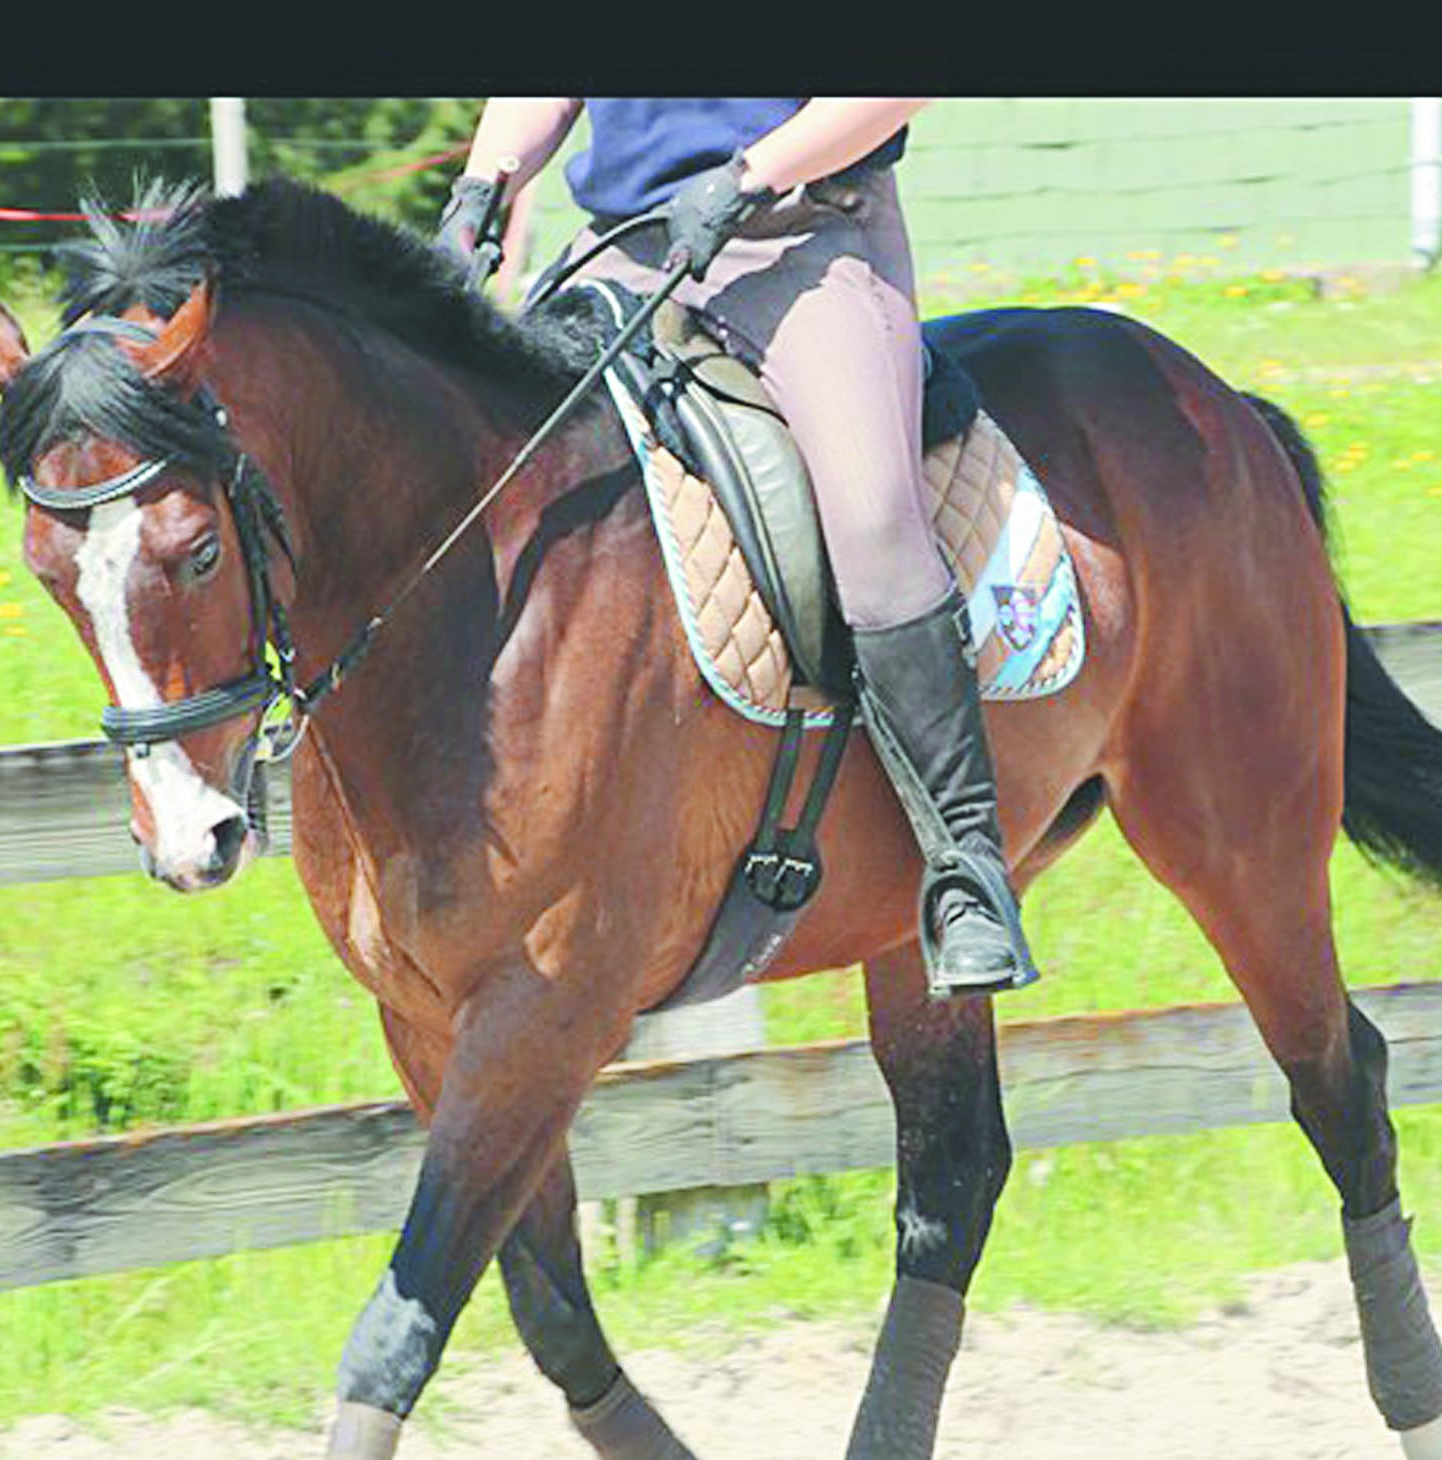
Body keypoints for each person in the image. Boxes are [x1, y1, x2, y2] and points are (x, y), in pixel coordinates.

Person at [438, 98, 1039, 996]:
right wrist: (482, 188)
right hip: (628, 248)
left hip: (802, 243)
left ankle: (965, 865)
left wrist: (748, 176)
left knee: (874, 518)